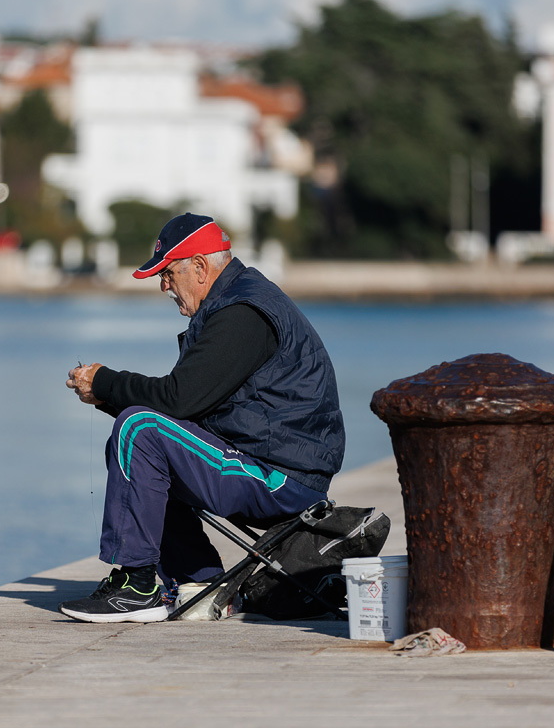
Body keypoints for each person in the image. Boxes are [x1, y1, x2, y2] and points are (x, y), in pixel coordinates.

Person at [60, 212, 345, 623]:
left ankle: (137, 586)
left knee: (139, 429)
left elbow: (178, 400)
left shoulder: (243, 311)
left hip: (282, 478)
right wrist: (104, 397)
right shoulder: (232, 301)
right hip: (265, 461)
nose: (164, 286)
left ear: (198, 266)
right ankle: (201, 582)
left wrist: (105, 382)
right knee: (137, 437)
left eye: (168, 274)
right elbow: (187, 408)